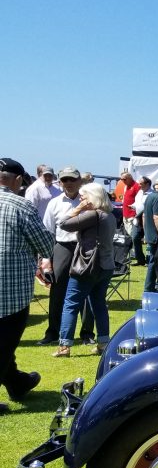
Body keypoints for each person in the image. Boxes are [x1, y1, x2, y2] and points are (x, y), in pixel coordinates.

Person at [0, 158, 50, 413]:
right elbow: (45, 244)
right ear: (18, 180)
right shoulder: (20, 206)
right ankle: (16, 382)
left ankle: (18, 383)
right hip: (9, 292)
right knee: (5, 341)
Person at [52, 183, 116, 357]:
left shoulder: (93, 215)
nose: (80, 199)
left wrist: (78, 209)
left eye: (84, 196)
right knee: (99, 304)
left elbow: (63, 223)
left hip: (87, 266)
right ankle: (103, 343)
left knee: (71, 303)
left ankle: (64, 346)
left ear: (93, 197)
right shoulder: (109, 215)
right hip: (106, 266)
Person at [40, 167, 96, 346]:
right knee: (57, 291)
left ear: (80, 181)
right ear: (60, 182)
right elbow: (48, 232)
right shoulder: (54, 203)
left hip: (85, 247)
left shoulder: (89, 200)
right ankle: (53, 332)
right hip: (62, 247)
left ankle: (87, 333)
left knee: (87, 291)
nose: (69, 183)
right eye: (65, 180)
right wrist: (46, 258)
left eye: (72, 180)